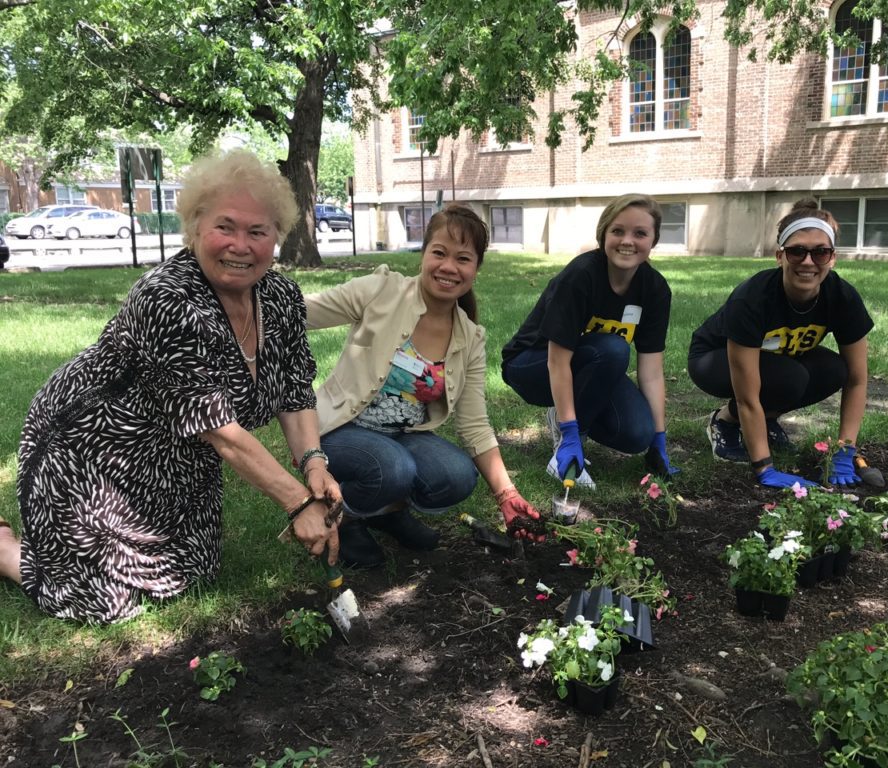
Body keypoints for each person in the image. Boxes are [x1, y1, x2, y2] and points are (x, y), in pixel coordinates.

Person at [0, 150, 340, 624]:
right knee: (104, 604)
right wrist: (299, 502)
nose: (240, 245)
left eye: (257, 232)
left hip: (174, 457)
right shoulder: (166, 298)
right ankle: (5, 549)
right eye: (226, 227)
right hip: (93, 450)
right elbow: (219, 430)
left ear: (276, 238)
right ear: (196, 228)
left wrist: (313, 463)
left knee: (193, 574)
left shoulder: (280, 297)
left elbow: (294, 390)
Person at [305, 204, 543, 568]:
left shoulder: (470, 337)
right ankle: (341, 516)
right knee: (394, 468)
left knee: (457, 474)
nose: (449, 267)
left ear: (476, 269)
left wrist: (506, 494)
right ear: (424, 253)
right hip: (341, 429)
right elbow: (306, 311)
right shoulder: (382, 291)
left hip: (400, 435)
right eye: (439, 253)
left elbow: (475, 423)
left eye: (463, 258)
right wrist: (242, 293)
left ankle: (385, 511)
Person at [687, 198, 873, 488]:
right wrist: (764, 468)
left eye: (820, 252)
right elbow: (748, 395)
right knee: (790, 378)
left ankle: (766, 421)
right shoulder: (752, 298)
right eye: (797, 251)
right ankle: (724, 421)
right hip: (713, 357)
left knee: (836, 369)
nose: (808, 262)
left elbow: (858, 379)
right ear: (780, 256)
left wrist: (845, 449)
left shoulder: (842, 297)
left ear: (833, 258)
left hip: (779, 357)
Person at [501, 193, 677, 489]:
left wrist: (658, 439)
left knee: (637, 433)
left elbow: (652, 370)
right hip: (531, 365)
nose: (627, 241)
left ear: (654, 240)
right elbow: (557, 361)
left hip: (589, 365)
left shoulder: (655, 289)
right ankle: (567, 437)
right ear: (603, 234)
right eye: (617, 230)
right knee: (612, 349)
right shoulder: (581, 276)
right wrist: (572, 432)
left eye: (640, 233)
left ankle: (565, 414)